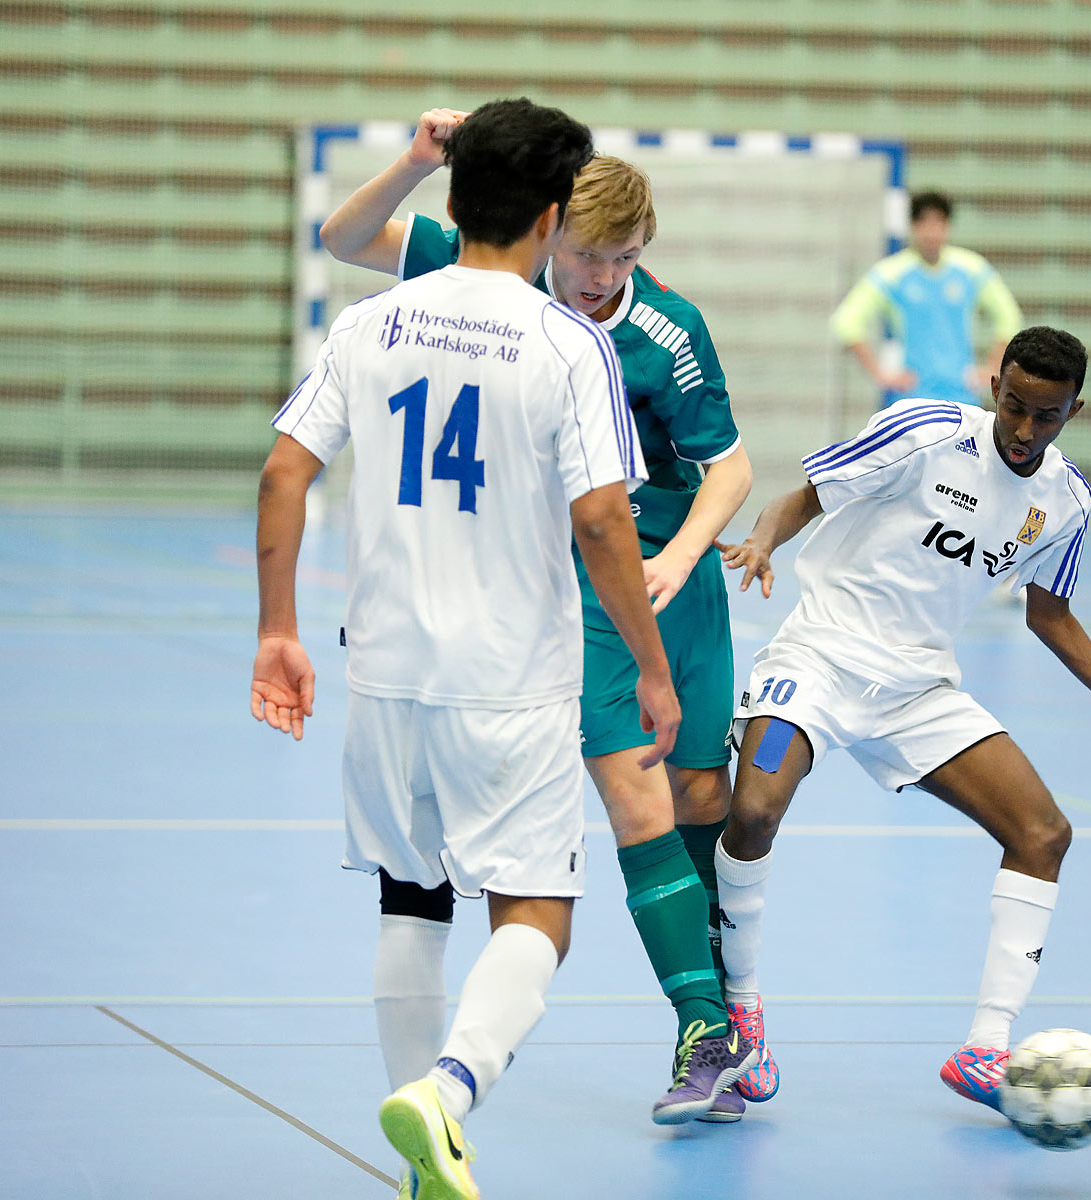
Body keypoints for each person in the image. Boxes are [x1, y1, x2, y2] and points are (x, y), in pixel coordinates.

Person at [252, 98, 696, 1200]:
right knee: (538, 908)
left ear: (452, 204)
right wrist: (649, 665)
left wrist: (276, 631)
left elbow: (283, 474)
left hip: (383, 669)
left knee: (411, 896)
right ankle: (447, 1096)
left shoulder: (373, 321)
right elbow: (602, 522)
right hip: (509, 682)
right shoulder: (571, 343)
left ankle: (420, 1169)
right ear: (554, 218)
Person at [320, 109, 765, 1122]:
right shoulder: (491, 276)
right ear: (547, 228)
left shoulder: (669, 329)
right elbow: (345, 241)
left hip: (672, 586)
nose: (603, 276)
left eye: (626, 259)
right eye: (588, 255)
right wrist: (414, 162)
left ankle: (730, 1017)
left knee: (705, 802)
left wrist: (683, 556)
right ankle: (703, 1025)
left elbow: (729, 465)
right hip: (587, 591)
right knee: (637, 802)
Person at [713, 326, 1091, 1114]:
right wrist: (765, 541)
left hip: (920, 688)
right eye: (1013, 405)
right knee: (753, 811)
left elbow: (1051, 616)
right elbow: (806, 492)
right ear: (995, 388)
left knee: (1044, 834)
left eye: (1046, 416)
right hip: (819, 657)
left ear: (1075, 411)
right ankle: (742, 1015)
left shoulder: (1066, 501)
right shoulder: (928, 431)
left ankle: (988, 1047)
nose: (1023, 429)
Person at [831, 189, 1024, 410]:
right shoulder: (891, 273)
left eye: (939, 222)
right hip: (911, 399)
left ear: (948, 225)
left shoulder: (972, 268)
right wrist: (880, 374)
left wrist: (992, 366)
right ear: (913, 226)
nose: (932, 232)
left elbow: (1009, 317)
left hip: (962, 397)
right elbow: (845, 322)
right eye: (924, 223)